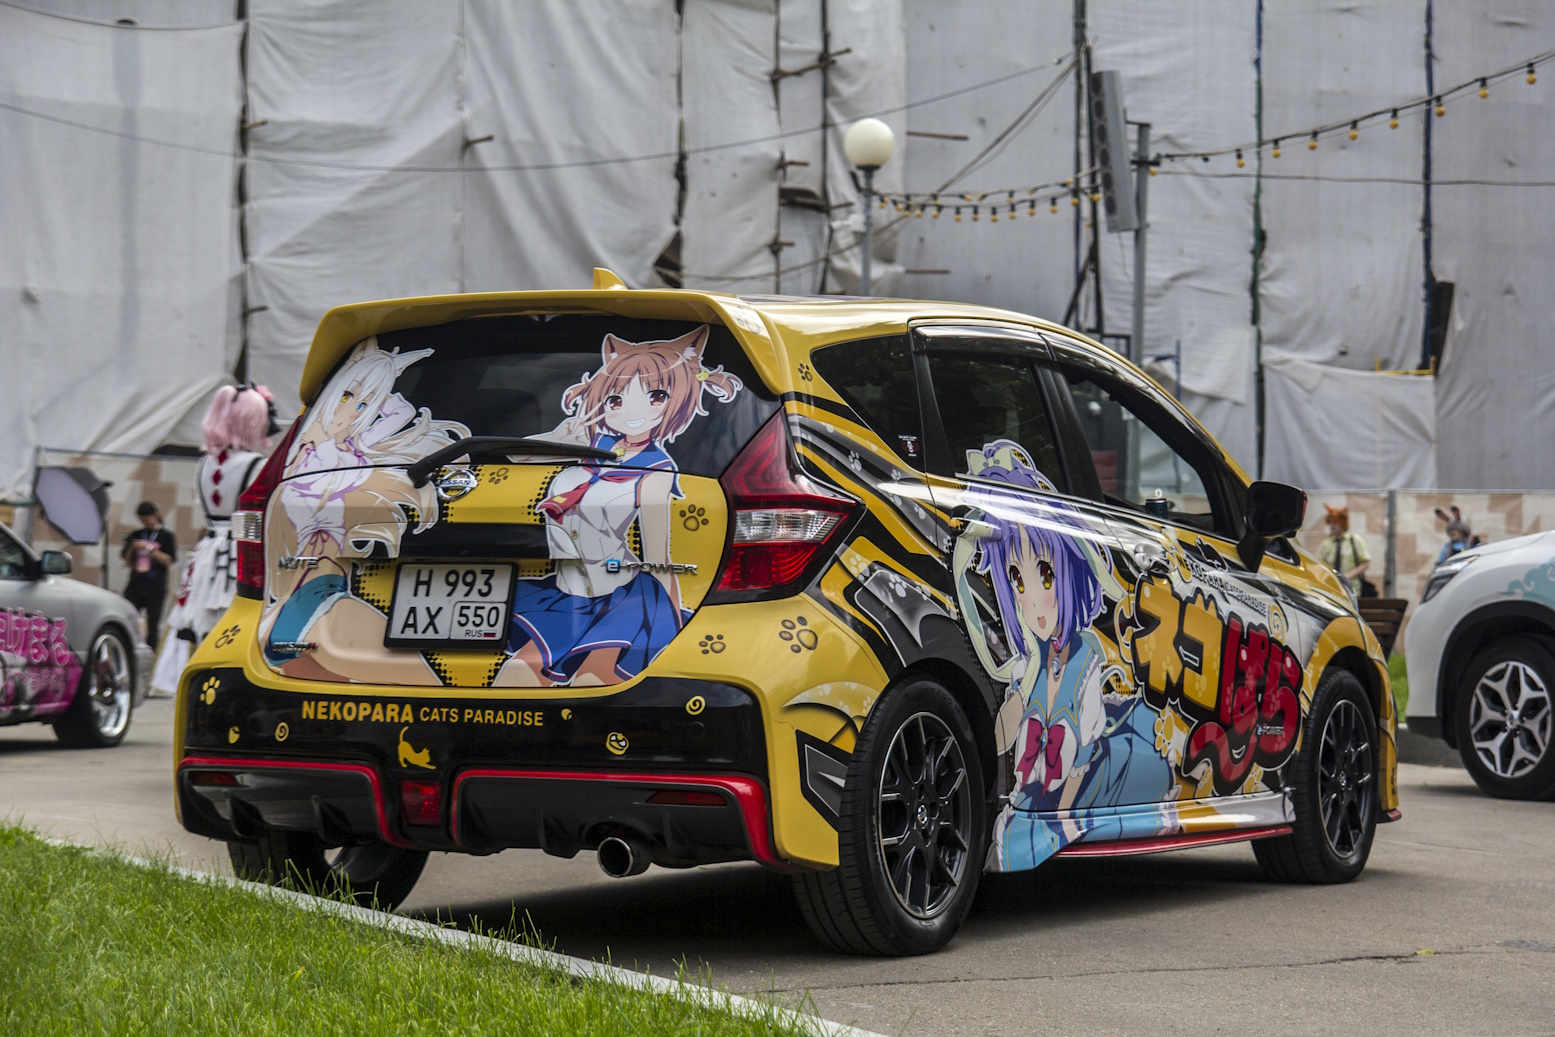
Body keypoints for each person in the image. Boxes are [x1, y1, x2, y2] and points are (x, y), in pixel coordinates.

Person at [150, 384, 276, 696]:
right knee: (239, 624)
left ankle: (203, 687)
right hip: (239, 553)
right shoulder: (257, 465)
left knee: (203, 626)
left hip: (208, 554)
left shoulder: (204, 464)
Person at [121, 500, 176, 648]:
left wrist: (150, 549)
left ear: (155, 516)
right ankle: (128, 648)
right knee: (128, 619)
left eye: (147, 519)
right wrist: (132, 547)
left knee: (153, 625)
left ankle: (152, 651)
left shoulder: (166, 536)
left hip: (155, 588)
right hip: (135, 585)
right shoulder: (137, 534)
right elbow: (126, 560)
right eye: (142, 520)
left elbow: (168, 560)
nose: (144, 523)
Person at [1317, 505, 1374, 597]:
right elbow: (1318, 564)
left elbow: (1365, 563)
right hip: (1331, 589)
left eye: (1335, 522)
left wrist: (1347, 577)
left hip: (1352, 589)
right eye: (1330, 522)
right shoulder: (1326, 544)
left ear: (1342, 523)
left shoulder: (1354, 540)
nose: (1332, 525)